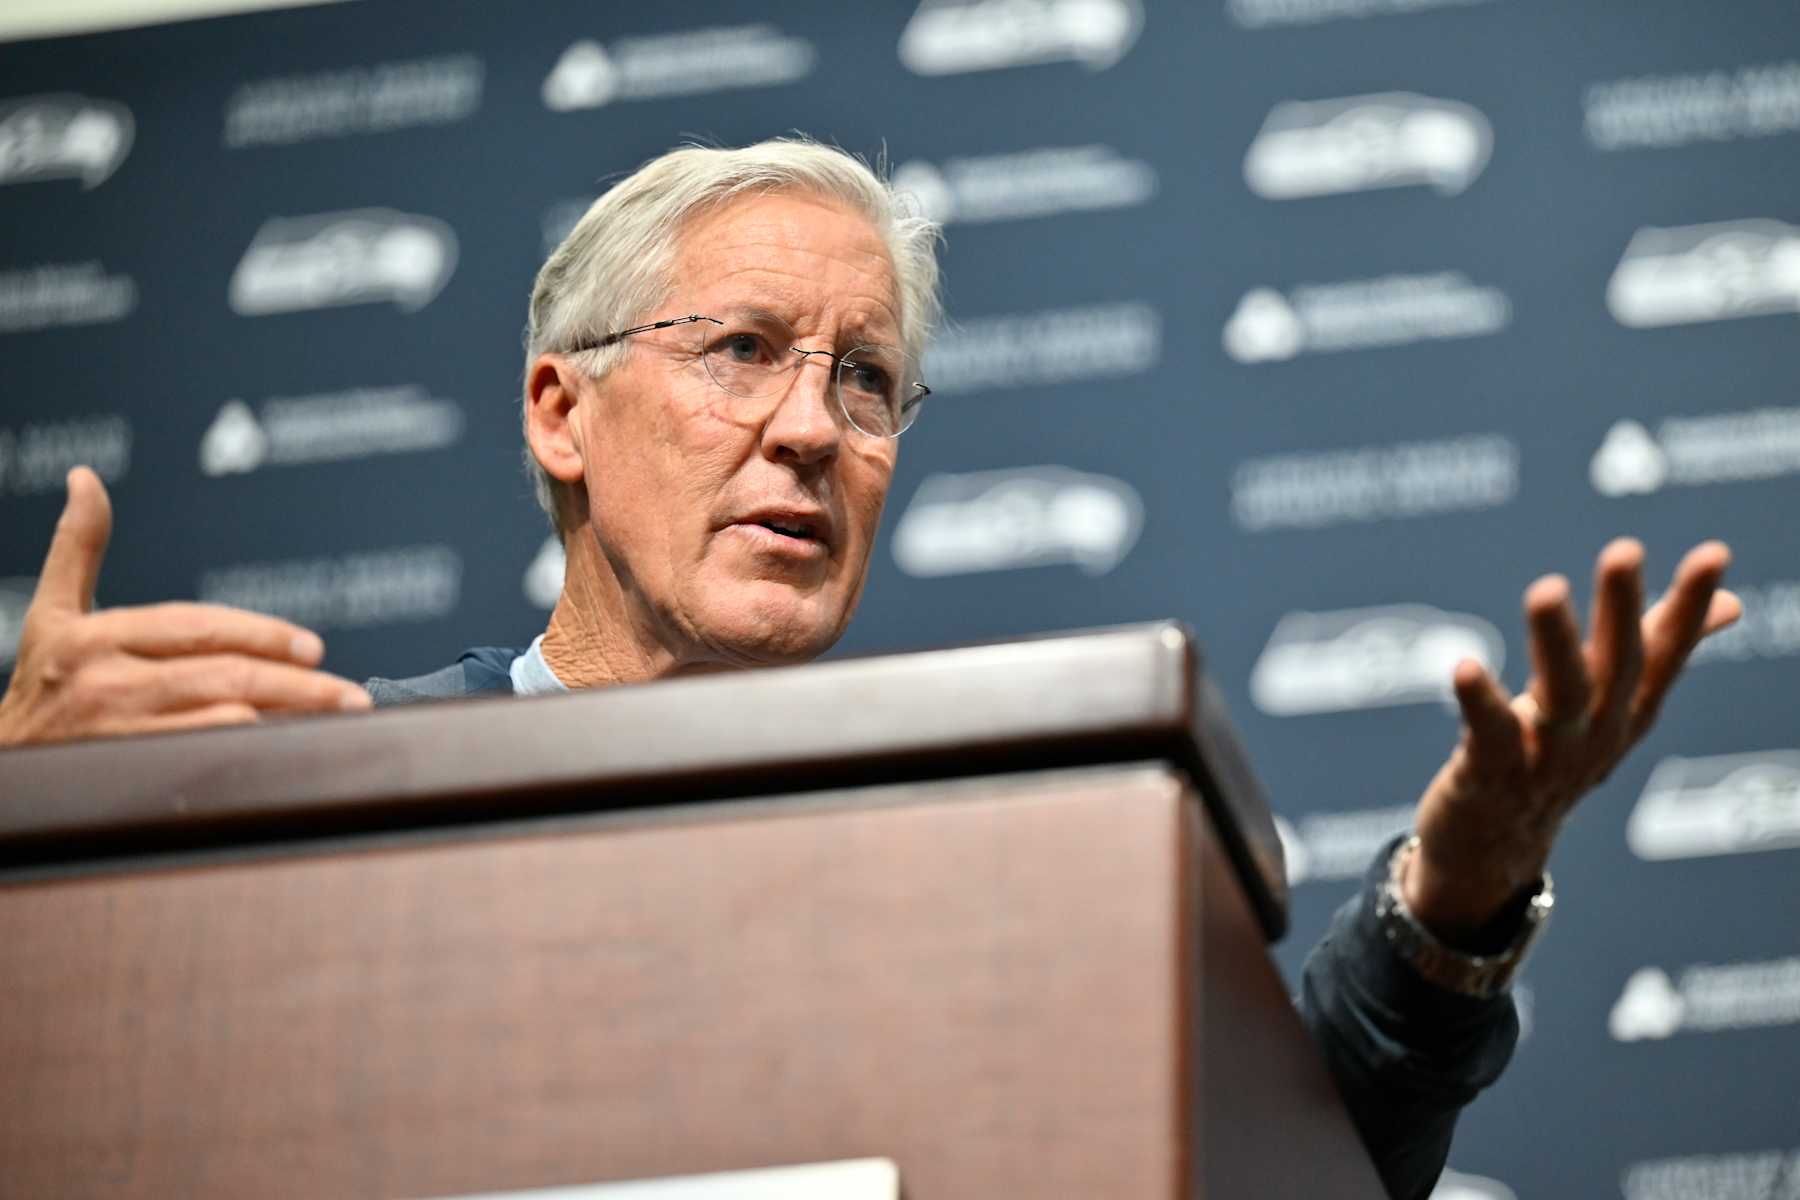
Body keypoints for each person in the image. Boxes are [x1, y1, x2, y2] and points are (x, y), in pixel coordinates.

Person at [0, 139, 1741, 1199]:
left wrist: (1457, 893)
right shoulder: (327, 806)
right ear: (560, 412)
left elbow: (1279, 1166)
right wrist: (28, 866)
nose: (809, 430)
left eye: (864, 382)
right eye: (742, 349)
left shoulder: (986, 869)